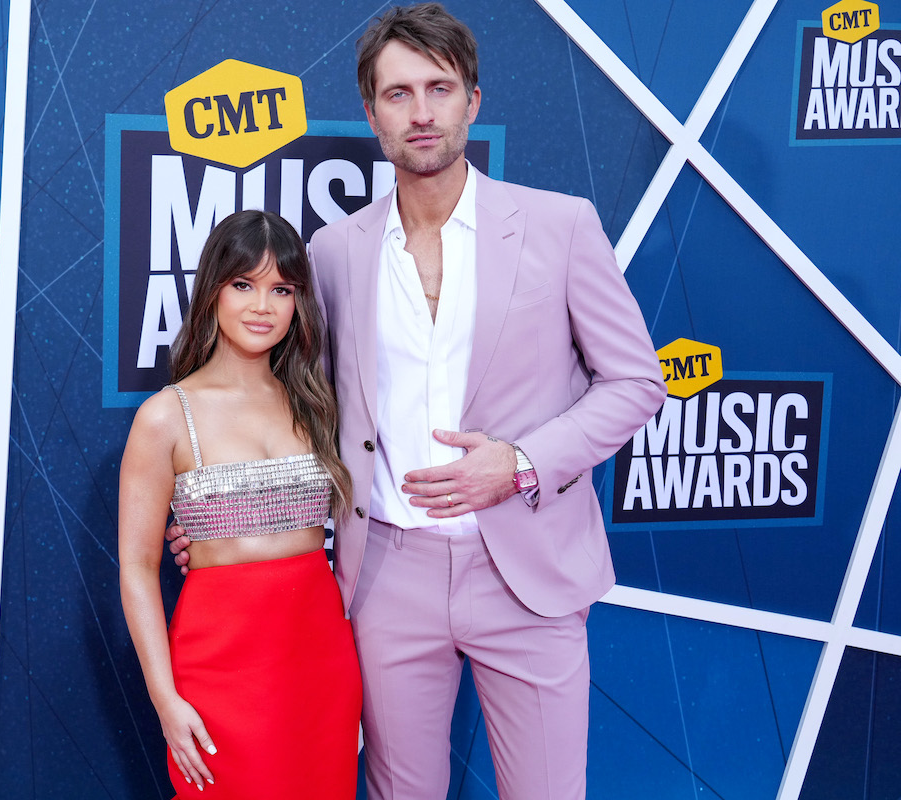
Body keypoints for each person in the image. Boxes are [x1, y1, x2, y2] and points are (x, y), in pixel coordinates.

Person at [172, 4, 667, 799]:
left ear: (473, 99)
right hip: (387, 576)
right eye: (398, 93)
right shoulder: (334, 253)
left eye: (440, 88)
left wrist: (523, 461)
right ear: (371, 114)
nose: (422, 111)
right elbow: (301, 405)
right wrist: (236, 520)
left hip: (528, 569)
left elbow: (639, 381)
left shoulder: (560, 226)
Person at [118, 210, 362, 799]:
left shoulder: (316, 402)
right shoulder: (165, 415)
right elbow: (136, 570)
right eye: (244, 285)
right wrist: (165, 699)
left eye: (282, 289)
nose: (263, 306)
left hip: (320, 665)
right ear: (213, 291)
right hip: (219, 668)